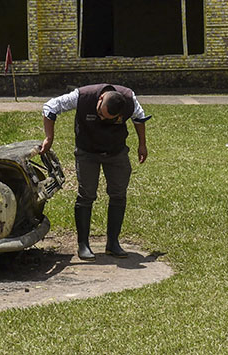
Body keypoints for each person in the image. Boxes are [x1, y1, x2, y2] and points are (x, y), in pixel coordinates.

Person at [38, 83, 150, 261]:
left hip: (116, 152)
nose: (102, 120)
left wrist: (142, 144)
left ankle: (113, 243)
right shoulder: (82, 96)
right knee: (86, 195)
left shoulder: (129, 99)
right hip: (87, 152)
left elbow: (139, 118)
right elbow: (50, 106)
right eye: (100, 114)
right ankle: (83, 245)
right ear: (99, 100)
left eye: (108, 118)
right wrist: (49, 137)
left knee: (119, 194)